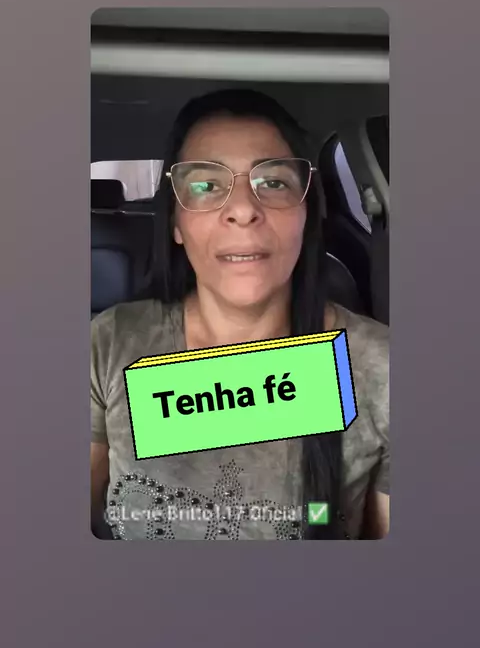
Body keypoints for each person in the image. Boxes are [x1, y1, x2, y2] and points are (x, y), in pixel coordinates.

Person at [91, 88, 389, 541]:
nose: (244, 210)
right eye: (206, 185)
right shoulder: (108, 344)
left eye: (274, 182)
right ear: (175, 223)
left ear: (307, 214)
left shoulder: (384, 369)